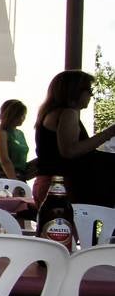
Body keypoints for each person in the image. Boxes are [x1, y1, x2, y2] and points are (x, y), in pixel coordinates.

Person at [33, 71, 115, 206]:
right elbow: (70, 150)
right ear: (75, 91)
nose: (91, 95)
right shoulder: (68, 114)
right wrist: (109, 133)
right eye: (88, 90)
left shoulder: (50, 113)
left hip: (47, 182)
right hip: (61, 186)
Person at [0, 99, 33, 180]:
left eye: (24, 115)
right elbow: (5, 161)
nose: (23, 118)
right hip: (3, 177)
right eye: (20, 115)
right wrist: (14, 183)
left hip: (19, 176)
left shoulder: (20, 133)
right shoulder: (1, 133)